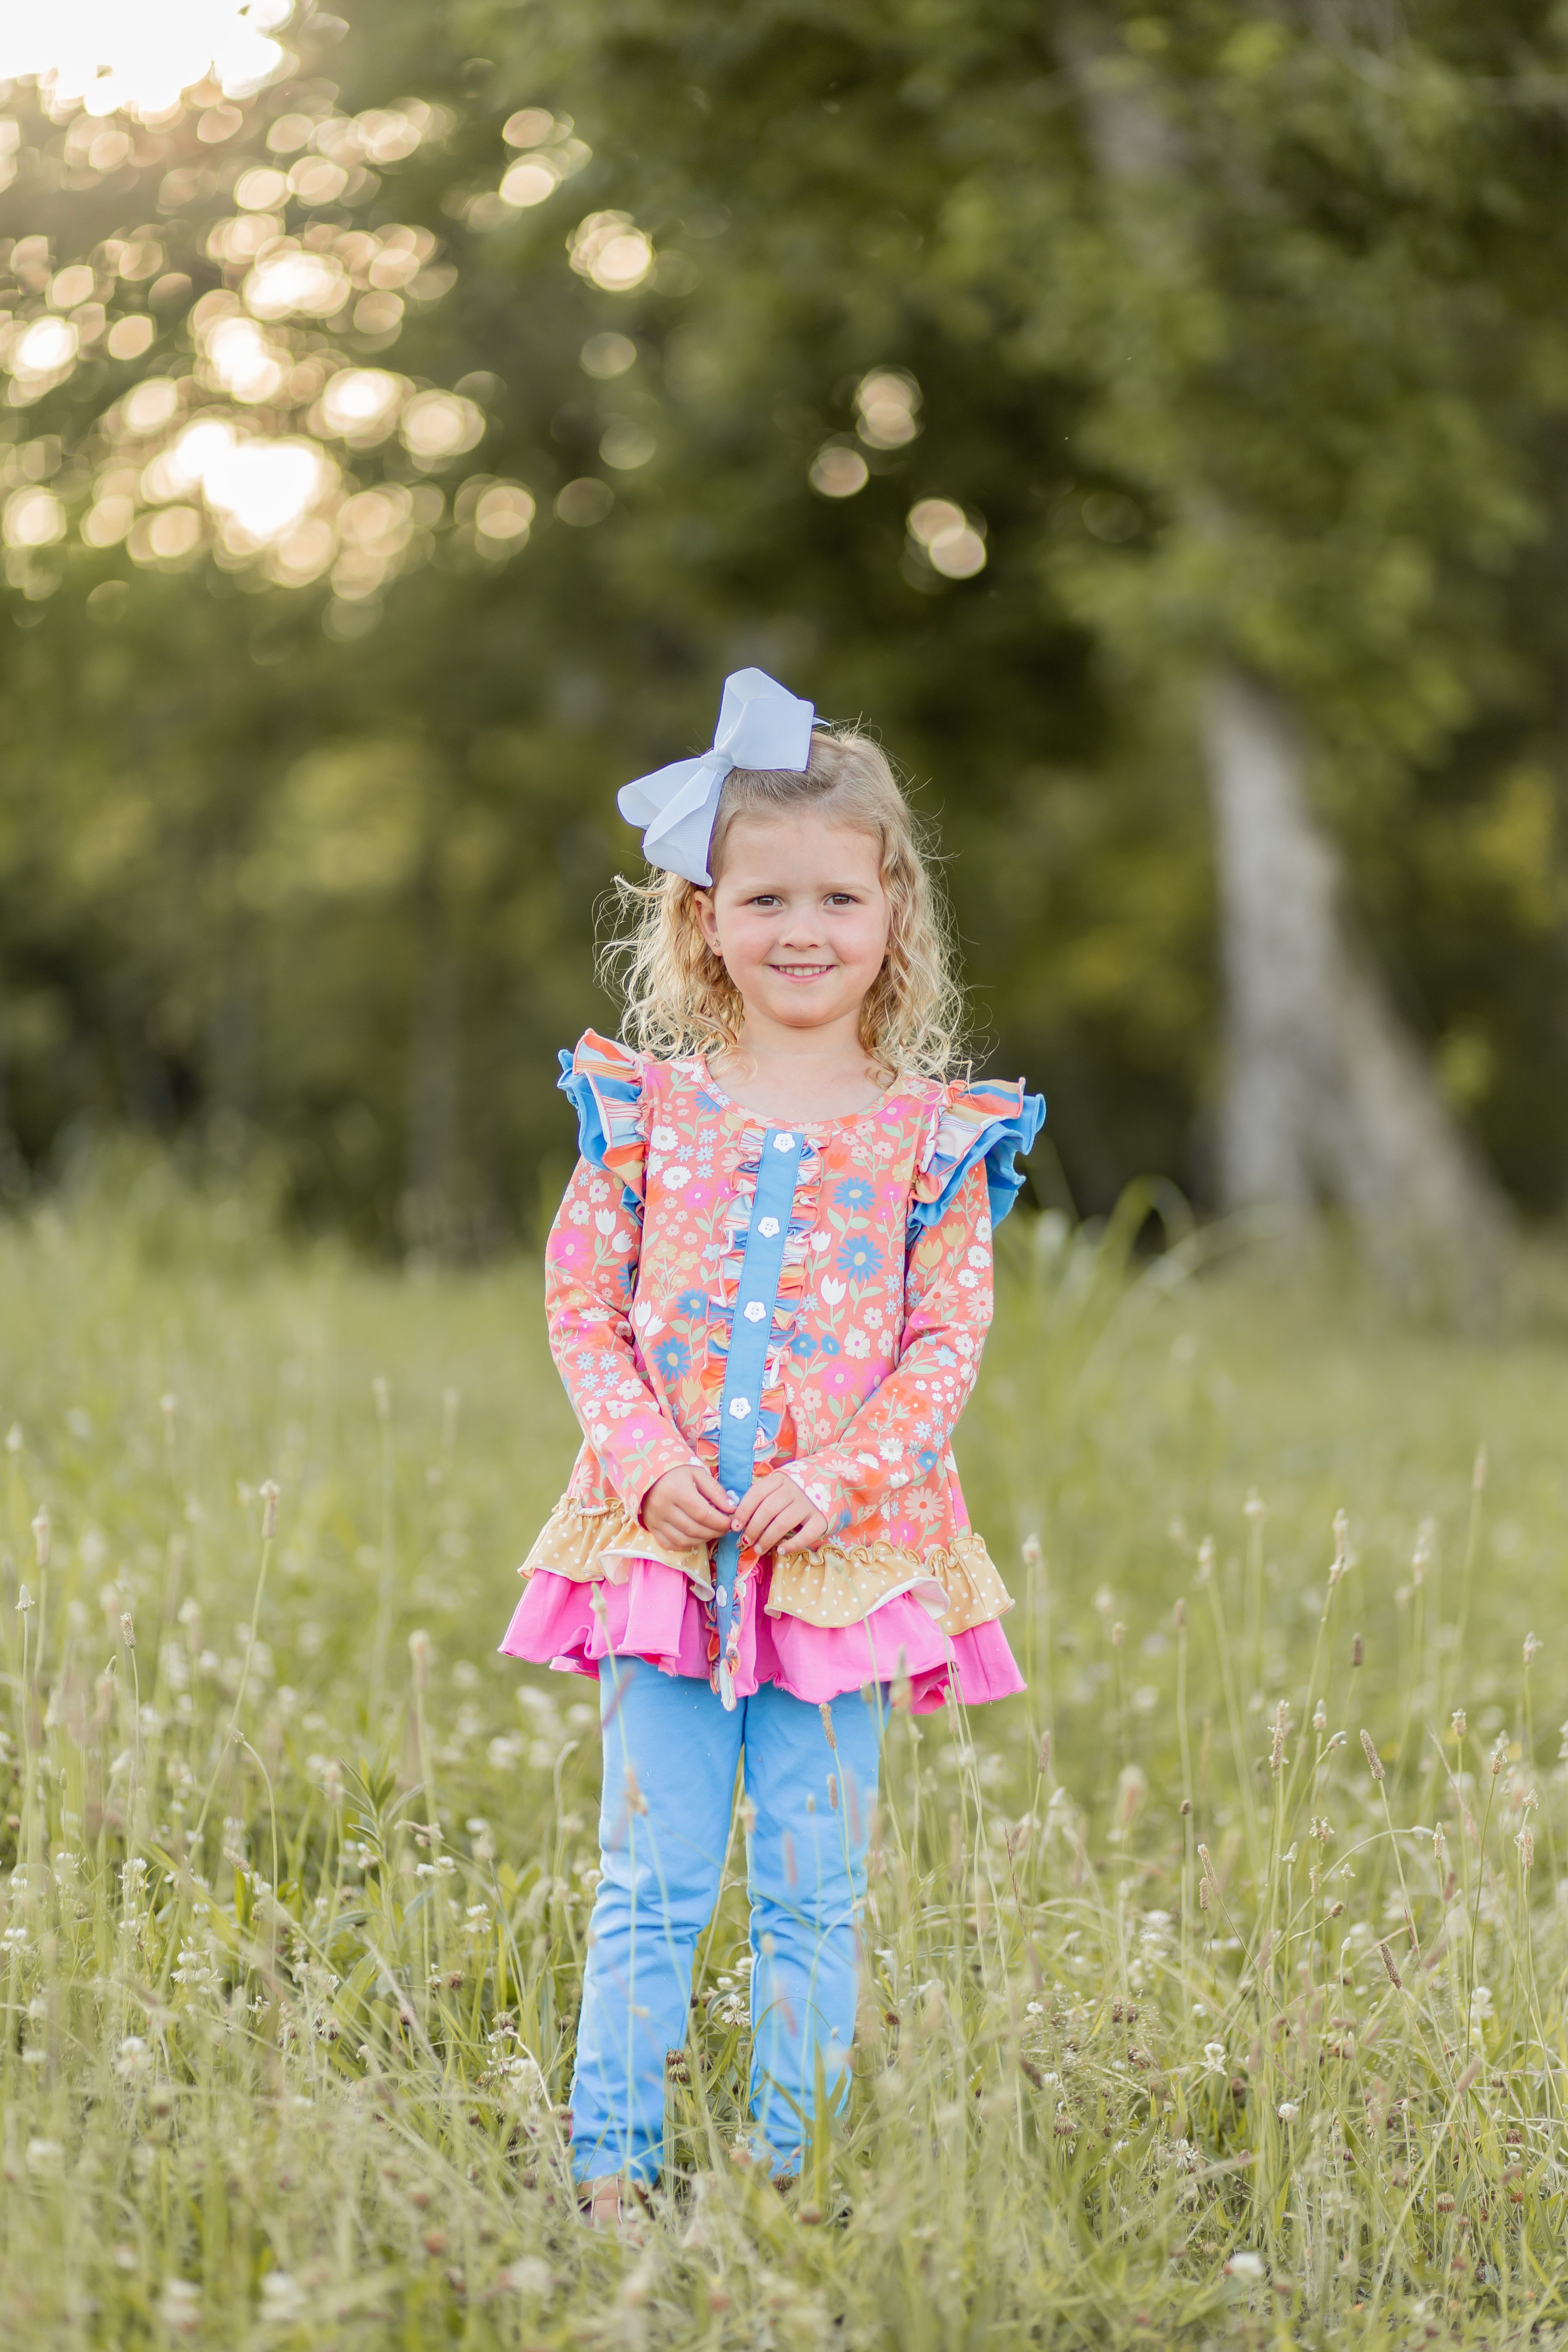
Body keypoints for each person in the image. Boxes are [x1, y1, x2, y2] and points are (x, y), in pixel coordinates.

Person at [498, 668, 1044, 2223]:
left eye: (835, 896)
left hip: (837, 1562)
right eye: (763, 897)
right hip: (667, 1547)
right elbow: (578, 1304)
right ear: (702, 918)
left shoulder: (934, 1137)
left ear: (892, 914)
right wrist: (639, 1461)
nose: (801, 928)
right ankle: (612, 2171)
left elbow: (946, 1344)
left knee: (816, 1887)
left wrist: (834, 1480)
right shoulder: (648, 1114)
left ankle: (786, 2177)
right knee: (650, 1881)